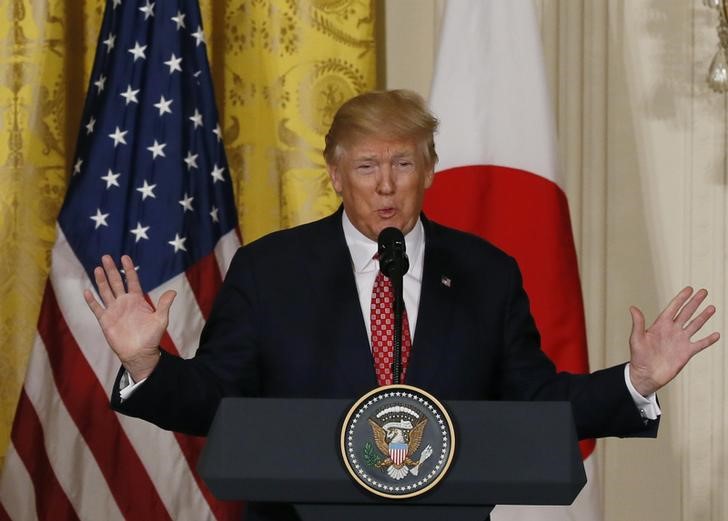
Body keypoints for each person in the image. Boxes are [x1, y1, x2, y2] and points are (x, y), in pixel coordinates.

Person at [84, 90, 720, 519]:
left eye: (402, 164)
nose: (385, 185)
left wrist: (634, 381)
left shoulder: (486, 273)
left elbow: (535, 401)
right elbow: (217, 396)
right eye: (365, 166)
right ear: (334, 174)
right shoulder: (270, 270)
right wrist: (147, 364)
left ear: (430, 170)